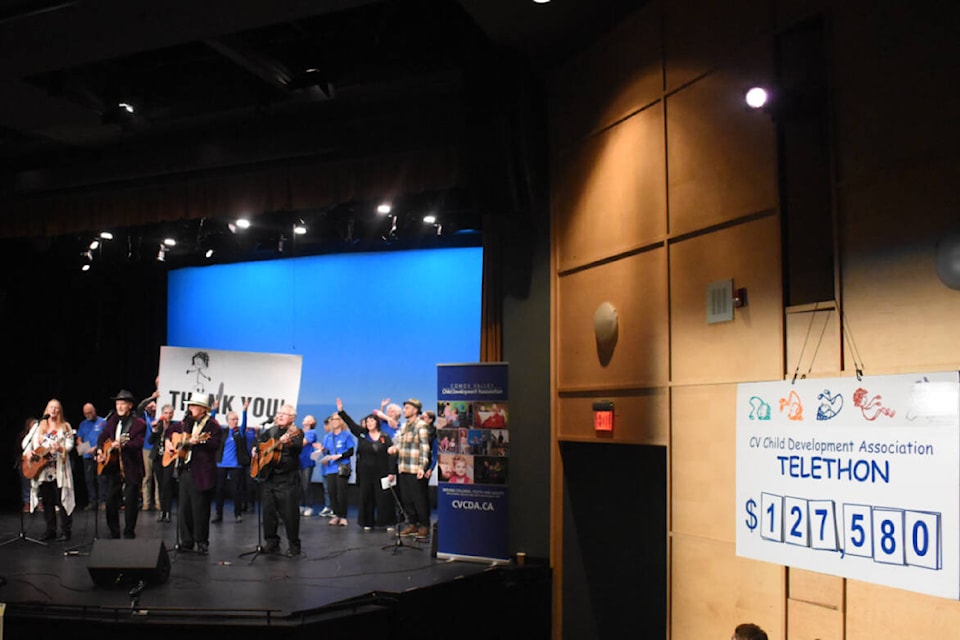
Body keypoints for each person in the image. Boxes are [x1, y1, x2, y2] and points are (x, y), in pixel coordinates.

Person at [171, 393, 222, 554]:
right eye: (190, 406)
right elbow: (172, 433)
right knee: (184, 508)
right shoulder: (187, 422)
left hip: (201, 471)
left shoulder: (212, 425)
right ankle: (186, 540)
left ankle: (201, 541)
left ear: (202, 409)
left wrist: (198, 442)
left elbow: (214, 444)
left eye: (193, 406)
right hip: (185, 469)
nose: (190, 409)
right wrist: (170, 442)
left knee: (200, 508)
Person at [336, 398, 396, 530]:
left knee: (384, 498)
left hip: (382, 472)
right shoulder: (362, 434)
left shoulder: (385, 437)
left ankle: (387, 522)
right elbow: (351, 424)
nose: (369, 423)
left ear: (377, 422)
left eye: (372, 421)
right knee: (366, 497)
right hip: (365, 473)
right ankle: (367, 522)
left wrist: (392, 472)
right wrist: (341, 412)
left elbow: (391, 455)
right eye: (367, 421)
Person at [253, 404, 304, 556]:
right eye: (279, 413)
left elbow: (297, 446)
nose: (280, 415)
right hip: (270, 477)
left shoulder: (296, 432)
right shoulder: (271, 430)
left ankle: (294, 545)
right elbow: (259, 443)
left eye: (284, 414)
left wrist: (286, 442)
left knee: (289, 514)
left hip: (287, 480)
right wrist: (255, 449)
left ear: (292, 418)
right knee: (268, 512)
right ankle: (271, 542)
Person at [21, 399, 75, 541]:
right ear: (47, 409)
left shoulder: (65, 427)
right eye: (51, 407)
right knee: (47, 501)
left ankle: (65, 530)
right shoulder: (38, 425)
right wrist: (28, 452)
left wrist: (60, 448)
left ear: (60, 410)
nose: (54, 410)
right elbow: (25, 443)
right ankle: (50, 530)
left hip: (58, 469)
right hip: (42, 470)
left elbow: (69, 445)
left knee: (61, 500)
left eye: (57, 408)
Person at [96, 389, 146, 539]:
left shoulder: (139, 424)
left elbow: (138, 443)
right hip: (114, 466)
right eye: (118, 403)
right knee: (111, 500)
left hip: (131, 466)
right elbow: (103, 436)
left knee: (131, 502)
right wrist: (99, 451)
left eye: (123, 404)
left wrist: (124, 445)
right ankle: (114, 531)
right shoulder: (112, 420)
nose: (120, 406)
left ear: (130, 406)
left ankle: (129, 531)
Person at [386, 398, 431, 538]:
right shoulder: (404, 426)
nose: (405, 410)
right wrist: (395, 448)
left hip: (414, 468)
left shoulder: (421, 425)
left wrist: (422, 467)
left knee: (418, 498)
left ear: (415, 410)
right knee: (406, 499)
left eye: (407, 408)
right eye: (404, 407)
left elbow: (424, 447)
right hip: (403, 467)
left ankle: (424, 525)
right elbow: (403, 444)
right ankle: (412, 524)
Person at [213, 399, 250, 524]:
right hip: (221, 464)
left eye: (237, 419)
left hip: (236, 465)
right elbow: (211, 424)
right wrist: (214, 409)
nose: (235, 421)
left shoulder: (239, 433)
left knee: (236, 491)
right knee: (219, 490)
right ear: (228, 420)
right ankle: (219, 514)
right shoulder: (222, 432)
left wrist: (245, 410)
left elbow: (244, 424)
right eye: (233, 419)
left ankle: (238, 514)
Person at [320, 412, 355, 526]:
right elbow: (327, 452)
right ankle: (336, 515)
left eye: (337, 419)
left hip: (342, 467)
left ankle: (343, 516)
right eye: (332, 419)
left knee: (341, 493)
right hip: (330, 468)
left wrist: (340, 456)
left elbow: (351, 451)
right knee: (332, 492)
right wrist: (324, 456)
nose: (334, 421)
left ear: (341, 421)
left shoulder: (346, 435)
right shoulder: (328, 436)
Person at [149, 403, 178, 522]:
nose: (168, 415)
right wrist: (154, 430)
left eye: (170, 413)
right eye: (166, 413)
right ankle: (162, 511)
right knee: (160, 484)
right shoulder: (158, 425)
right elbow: (150, 441)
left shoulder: (175, 426)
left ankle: (168, 512)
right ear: (162, 414)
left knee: (167, 484)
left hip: (169, 458)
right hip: (157, 457)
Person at [75, 403, 106, 511]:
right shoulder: (83, 424)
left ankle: (102, 501)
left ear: (94, 411)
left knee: (101, 479)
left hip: (99, 454)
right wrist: (82, 446)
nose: (88, 415)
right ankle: (92, 501)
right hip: (87, 455)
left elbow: (106, 437)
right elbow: (79, 438)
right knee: (89, 479)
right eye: (86, 413)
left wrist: (96, 447)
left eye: (90, 412)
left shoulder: (102, 422)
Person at [137, 392, 160, 512]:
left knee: (158, 477)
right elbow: (140, 406)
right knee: (147, 476)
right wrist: (152, 398)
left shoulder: (160, 416)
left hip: (158, 449)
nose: (152, 408)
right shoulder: (143, 416)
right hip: (146, 448)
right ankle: (146, 503)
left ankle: (158, 503)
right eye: (149, 406)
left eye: (154, 406)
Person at [298, 414, 320, 516]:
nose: (304, 419)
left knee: (306, 485)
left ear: (311, 422)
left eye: (306, 418)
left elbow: (302, 443)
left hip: (307, 462)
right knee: (300, 485)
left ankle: (309, 506)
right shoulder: (300, 432)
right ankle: (301, 505)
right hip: (299, 461)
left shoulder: (311, 432)